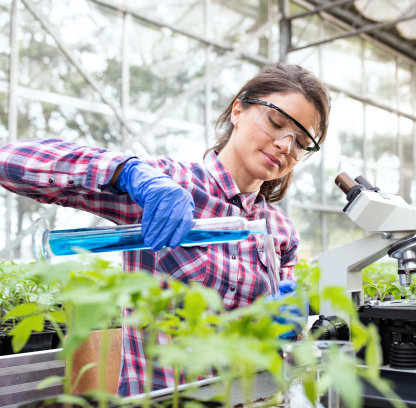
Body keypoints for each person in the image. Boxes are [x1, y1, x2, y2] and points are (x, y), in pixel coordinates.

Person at [0, 63, 331, 396]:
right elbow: (10, 162)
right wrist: (128, 173)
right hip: (165, 399)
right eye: (276, 123)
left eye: (301, 143)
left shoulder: (279, 229)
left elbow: (277, 346)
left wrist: (288, 331)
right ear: (238, 111)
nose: (285, 146)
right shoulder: (168, 185)